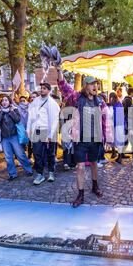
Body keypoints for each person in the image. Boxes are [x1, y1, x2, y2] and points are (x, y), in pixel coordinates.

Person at [56, 68, 113, 208]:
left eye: (96, 84)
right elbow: (63, 86)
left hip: (95, 139)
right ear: (86, 86)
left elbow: (107, 120)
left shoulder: (100, 101)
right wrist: (59, 70)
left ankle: (95, 186)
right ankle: (80, 195)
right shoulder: (76, 97)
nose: (95, 87)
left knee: (94, 164)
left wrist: (109, 138)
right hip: (80, 139)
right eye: (92, 84)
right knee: (80, 167)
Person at [27, 83, 60, 185]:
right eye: (41, 88)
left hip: (49, 131)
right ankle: (40, 174)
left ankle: (51, 172)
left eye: (44, 88)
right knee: (37, 153)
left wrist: (50, 135)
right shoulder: (35, 101)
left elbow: (55, 120)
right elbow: (30, 116)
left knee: (50, 153)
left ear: (49, 91)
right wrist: (28, 129)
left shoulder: (52, 103)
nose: (42, 90)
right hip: (37, 131)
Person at [0, 95, 33, 181]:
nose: (4, 102)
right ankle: (12, 174)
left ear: (9, 102)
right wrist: (0, 112)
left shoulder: (15, 109)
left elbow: (17, 120)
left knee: (20, 154)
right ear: (1, 103)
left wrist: (12, 111)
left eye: (6, 100)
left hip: (14, 136)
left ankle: (28, 170)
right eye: (3, 101)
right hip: (5, 138)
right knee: (8, 157)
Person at [108, 92, 126, 164]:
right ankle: (114, 153)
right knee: (113, 141)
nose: (110, 100)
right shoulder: (115, 105)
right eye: (110, 98)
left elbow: (118, 118)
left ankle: (120, 157)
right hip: (114, 126)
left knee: (119, 142)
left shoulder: (118, 105)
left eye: (111, 98)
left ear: (114, 98)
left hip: (118, 126)